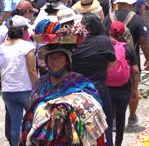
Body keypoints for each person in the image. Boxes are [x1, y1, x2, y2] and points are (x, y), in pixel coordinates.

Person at [19, 45, 106, 145]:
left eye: (59, 58)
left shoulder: (79, 82)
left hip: (72, 138)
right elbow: (32, 108)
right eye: (51, 58)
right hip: (43, 138)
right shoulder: (40, 83)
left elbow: (95, 106)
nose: (54, 61)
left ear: (67, 61)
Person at [72, 14, 116, 145]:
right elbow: (112, 63)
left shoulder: (74, 42)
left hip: (76, 88)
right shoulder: (104, 41)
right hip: (98, 88)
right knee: (104, 121)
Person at [0, 16, 37, 146]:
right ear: (23, 30)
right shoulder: (27, 46)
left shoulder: (1, 47)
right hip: (25, 90)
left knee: (16, 123)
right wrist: (38, 87)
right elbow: (32, 70)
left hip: (8, 91)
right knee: (35, 121)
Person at [108, 21, 140, 146]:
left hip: (107, 87)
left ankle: (108, 142)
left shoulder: (105, 46)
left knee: (107, 117)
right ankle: (118, 143)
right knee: (121, 117)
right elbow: (135, 71)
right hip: (124, 86)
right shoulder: (128, 47)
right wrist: (135, 89)